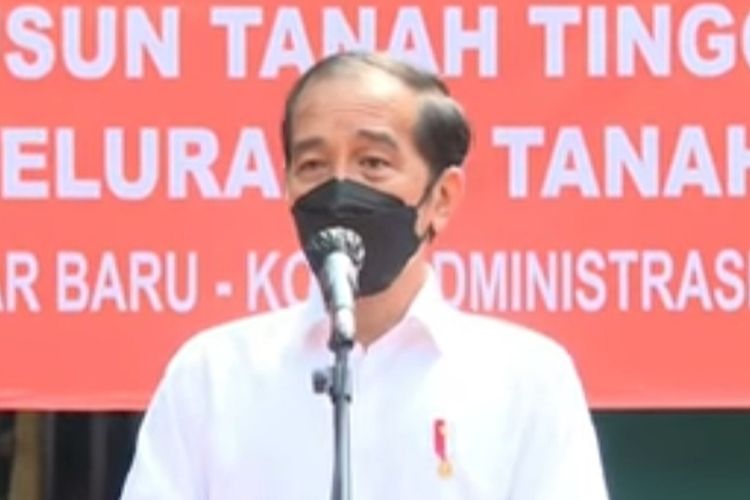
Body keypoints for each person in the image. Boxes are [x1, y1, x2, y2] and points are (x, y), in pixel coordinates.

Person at [120, 51, 610, 500]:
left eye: (373, 163)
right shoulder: (213, 374)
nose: (339, 189)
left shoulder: (525, 378)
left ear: (441, 198)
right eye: (312, 165)